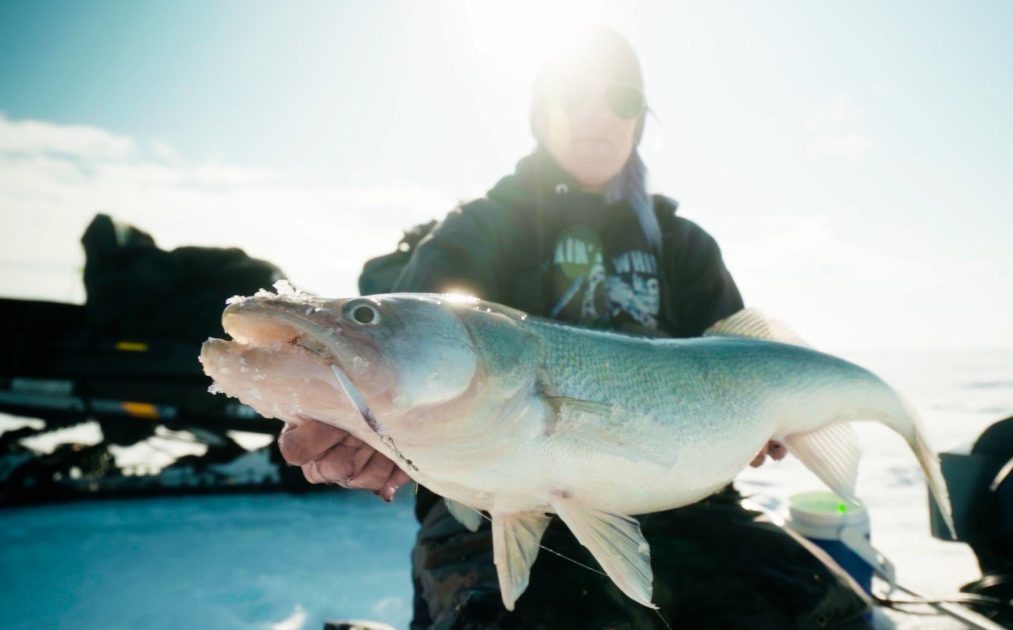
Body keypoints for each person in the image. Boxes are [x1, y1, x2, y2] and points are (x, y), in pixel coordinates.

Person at [278, 26, 872, 629]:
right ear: (541, 112)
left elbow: (738, 364)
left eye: (621, 98)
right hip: (490, 505)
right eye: (573, 94)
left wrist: (766, 422)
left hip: (685, 503)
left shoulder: (686, 247)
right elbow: (408, 344)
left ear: (641, 118)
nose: (597, 112)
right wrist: (365, 419)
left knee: (830, 613)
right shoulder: (479, 229)